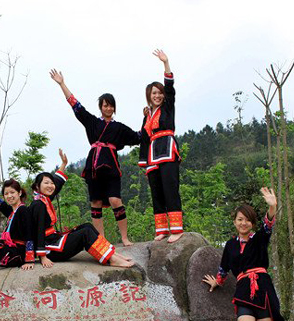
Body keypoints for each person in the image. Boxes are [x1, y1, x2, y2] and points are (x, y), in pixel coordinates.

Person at [201, 187, 283, 321]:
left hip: (262, 287)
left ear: (252, 223)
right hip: (243, 289)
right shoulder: (230, 245)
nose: (243, 223)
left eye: (247, 220)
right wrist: (217, 282)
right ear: (235, 222)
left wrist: (272, 205)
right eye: (239, 219)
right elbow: (224, 268)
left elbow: (269, 223)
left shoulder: (260, 238)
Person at [49, 69, 140, 246]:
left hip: (112, 166)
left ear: (114, 108)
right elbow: (75, 105)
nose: (108, 108)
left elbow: (138, 137)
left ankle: (124, 237)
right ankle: (102, 240)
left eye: (111, 105)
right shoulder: (92, 122)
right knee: (96, 202)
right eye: (105, 105)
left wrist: (147, 116)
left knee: (115, 200)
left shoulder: (120, 128)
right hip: (93, 166)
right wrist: (62, 83)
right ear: (101, 107)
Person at [30, 149, 135, 268]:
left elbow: (57, 183)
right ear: (37, 187)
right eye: (46, 183)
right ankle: (112, 259)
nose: (50, 186)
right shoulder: (38, 205)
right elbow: (37, 231)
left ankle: (112, 254)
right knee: (85, 233)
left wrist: (64, 164)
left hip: (54, 239)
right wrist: (42, 256)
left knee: (87, 226)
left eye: (51, 183)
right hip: (50, 249)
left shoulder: (44, 199)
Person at [139, 49, 183, 243]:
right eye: (153, 93)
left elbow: (170, 87)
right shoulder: (147, 115)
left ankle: (176, 229)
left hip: (167, 150)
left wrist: (166, 63)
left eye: (159, 93)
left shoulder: (168, 106)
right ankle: (162, 229)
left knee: (170, 188)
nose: (157, 96)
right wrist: (144, 163)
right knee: (156, 191)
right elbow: (143, 139)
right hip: (152, 156)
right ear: (149, 96)